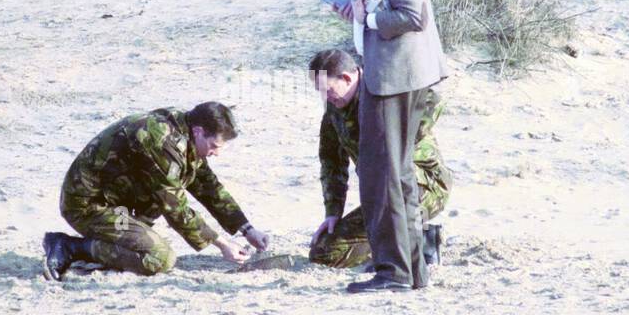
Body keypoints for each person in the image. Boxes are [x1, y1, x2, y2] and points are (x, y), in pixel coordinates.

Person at [333, 0, 449, 292]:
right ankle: (410, 270)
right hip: (398, 74)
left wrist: (367, 20)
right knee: (395, 175)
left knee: (382, 176)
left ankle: (394, 272)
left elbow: (411, 15)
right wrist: (356, 10)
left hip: (396, 78)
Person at [42, 102, 270, 280]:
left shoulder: (183, 129)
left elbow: (207, 185)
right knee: (159, 259)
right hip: (89, 206)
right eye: (214, 147)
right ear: (199, 132)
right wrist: (222, 244)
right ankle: (71, 247)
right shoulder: (162, 142)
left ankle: (121, 242)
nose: (216, 153)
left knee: (142, 239)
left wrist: (246, 228)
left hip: (118, 201)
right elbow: (176, 208)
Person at [308, 48, 449, 270]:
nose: (326, 97)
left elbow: (433, 100)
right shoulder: (334, 109)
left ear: (347, 78)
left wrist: (396, 142)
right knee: (325, 252)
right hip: (380, 196)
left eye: (328, 90)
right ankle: (400, 240)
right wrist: (333, 212)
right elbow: (332, 162)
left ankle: (420, 241)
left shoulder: (384, 87)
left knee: (390, 215)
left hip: (421, 185)